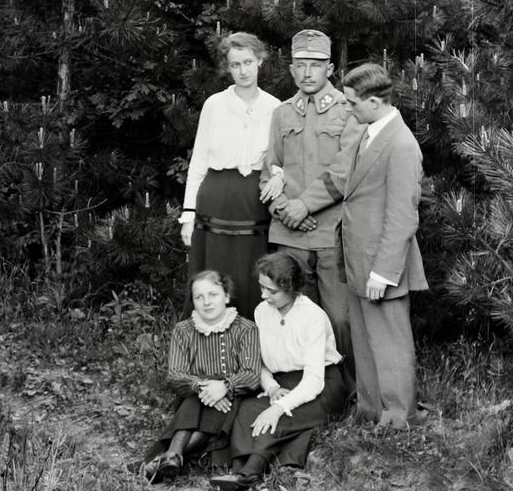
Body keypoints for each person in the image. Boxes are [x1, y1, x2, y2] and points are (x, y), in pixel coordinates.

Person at [258, 28, 358, 379]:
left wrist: (305, 206)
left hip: (332, 232)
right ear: (291, 69)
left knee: (340, 317)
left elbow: (348, 171)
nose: (307, 73)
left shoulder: (349, 111)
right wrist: (284, 209)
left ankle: (345, 387)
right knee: (295, 313)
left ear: (330, 68)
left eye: (315, 65)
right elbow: (269, 171)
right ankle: (305, 385)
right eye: (300, 65)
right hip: (289, 234)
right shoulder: (282, 114)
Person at [209, 251, 348, 491]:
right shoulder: (263, 311)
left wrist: (279, 406)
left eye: (271, 291)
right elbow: (259, 360)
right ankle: (237, 473)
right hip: (283, 381)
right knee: (249, 409)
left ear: (291, 288)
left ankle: (250, 472)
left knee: (279, 416)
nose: (264, 296)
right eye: (262, 288)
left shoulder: (312, 316)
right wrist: (271, 387)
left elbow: (313, 381)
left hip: (322, 383)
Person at [335, 62, 427, 428]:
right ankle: (370, 410)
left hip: (380, 264)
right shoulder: (368, 130)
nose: (348, 109)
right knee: (364, 338)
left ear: (374, 102)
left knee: (389, 341)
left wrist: (383, 272)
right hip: (358, 257)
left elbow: (403, 216)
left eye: (352, 103)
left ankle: (398, 417)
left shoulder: (402, 144)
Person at [180, 32, 280, 318]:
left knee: (253, 269)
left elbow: (282, 159)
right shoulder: (215, 105)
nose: (243, 70)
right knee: (214, 270)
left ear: (260, 60)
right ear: (227, 67)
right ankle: (207, 347)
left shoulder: (276, 107)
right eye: (235, 65)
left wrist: (279, 177)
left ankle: (252, 342)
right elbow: (198, 162)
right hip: (216, 197)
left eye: (248, 62)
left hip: (254, 199)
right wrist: (189, 214)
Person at [141, 269, 262, 483]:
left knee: (219, 405)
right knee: (193, 400)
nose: (206, 302)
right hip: (194, 396)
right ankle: (174, 456)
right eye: (199, 297)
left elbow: (252, 375)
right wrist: (203, 386)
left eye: (213, 295)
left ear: (226, 296)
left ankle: (169, 456)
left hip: (233, 397)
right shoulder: (184, 330)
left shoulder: (246, 329)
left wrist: (225, 386)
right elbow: (176, 375)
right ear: (193, 301)